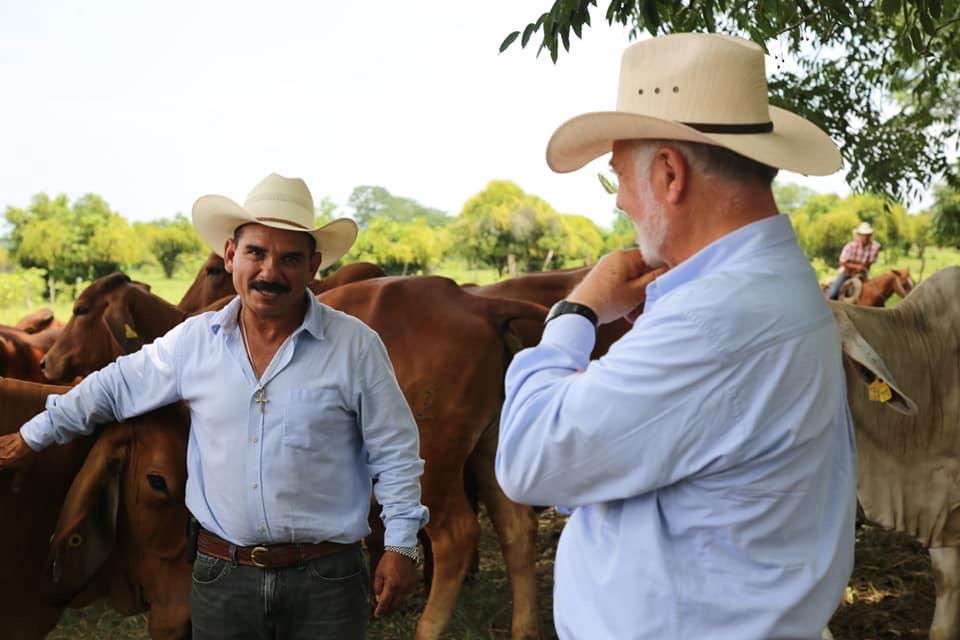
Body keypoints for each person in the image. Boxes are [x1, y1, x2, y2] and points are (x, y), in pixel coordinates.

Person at [495, 33, 857, 639]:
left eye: (618, 179)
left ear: (668, 172)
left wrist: (576, 312)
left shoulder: (712, 321)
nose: (621, 206)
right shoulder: (768, 288)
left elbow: (529, 458)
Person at [0, 173, 428, 639]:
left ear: (313, 267)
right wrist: (30, 436)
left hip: (325, 577)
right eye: (256, 253)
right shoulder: (194, 343)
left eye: (290, 258)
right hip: (224, 575)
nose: (270, 272)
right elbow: (112, 387)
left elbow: (396, 450)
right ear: (230, 256)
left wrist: (402, 545)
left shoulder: (355, 346)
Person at [827, 221, 882, 299]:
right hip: (846, 273)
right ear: (859, 235)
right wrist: (857, 267)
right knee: (833, 294)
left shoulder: (875, 247)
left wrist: (862, 269)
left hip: (863, 274)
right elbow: (843, 262)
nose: (865, 237)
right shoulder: (850, 246)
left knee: (874, 294)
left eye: (867, 235)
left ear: (870, 235)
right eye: (863, 235)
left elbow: (870, 262)